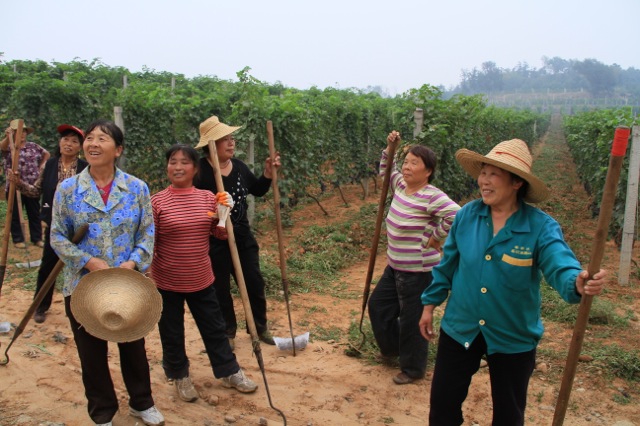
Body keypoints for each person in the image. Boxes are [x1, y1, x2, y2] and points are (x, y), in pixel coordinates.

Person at [418, 138, 607, 425]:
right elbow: (448, 265)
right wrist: (430, 304)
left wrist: (576, 282)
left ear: (517, 183)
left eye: (494, 174)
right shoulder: (467, 216)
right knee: (443, 405)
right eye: (483, 172)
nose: (485, 181)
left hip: (513, 335)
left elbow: (560, 262)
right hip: (461, 327)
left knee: (509, 412)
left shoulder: (539, 227)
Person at [50, 120, 164, 426]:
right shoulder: (68, 189)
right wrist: (88, 261)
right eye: (90, 138)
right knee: (92, 354)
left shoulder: (136, 188)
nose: (93, 144)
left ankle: (142, 403)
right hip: (84, 286)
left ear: (118, 150)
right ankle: (102, 413)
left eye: (103, 138)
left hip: (127, 285)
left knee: (133, 347)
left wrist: (133, 264)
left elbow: (147, 233)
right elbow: (57, 236)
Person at [150, 144, 258, 402]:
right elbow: (149, 241)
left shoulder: (208, 197)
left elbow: (219, 234)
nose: (177, 167)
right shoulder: (156, 201)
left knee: (215, 328)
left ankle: (229, 371)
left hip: (201, 277)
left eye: (184, 162)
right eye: (172, 161)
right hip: (167, 279)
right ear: (167, 167)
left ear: (195, 168)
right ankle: (180, 376)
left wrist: (223, 215)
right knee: (172, 331)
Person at [368, 130, 460, 385]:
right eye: (406, 162)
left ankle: (413, 368)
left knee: (412, 319)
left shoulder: (431, 195)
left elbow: (456, 215)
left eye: (414, 163)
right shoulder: (400, 186)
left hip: (418, 272)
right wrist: (390, 146)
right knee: (378, 307)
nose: (407, 167)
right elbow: (387, 169)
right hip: (395, 266)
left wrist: (435, 237)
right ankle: (392, 349)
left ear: (428, 170)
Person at [194, 115, 281, 348]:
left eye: (232, 138)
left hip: (242, 237)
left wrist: (267, 175)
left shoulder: (239, 167)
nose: (232, 143)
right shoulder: (200, 173)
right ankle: (227, 332)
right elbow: (194, 208)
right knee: (220, 287)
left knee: (254, 282)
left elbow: (258, 190)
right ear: (211, 144)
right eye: (225, 139)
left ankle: (260, 327)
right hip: (214, 241)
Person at [9, 124, 88, 323]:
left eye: (74, 141)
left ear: (80, 147)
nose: (68, 144)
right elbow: (35, 191)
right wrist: (18, 183)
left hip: (80, 228)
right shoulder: (50, 165)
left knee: (80, 268)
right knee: (48, 267)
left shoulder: (85, 169)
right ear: (59, 143)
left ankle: (83, 309)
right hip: (55, 226)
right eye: (65, 139)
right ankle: (41, 306)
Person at [1, 122, 50, 247]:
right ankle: (18, 239)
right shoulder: (10, 147)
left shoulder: (33, 146)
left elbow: (46, 154)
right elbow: (1, 147)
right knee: (15, 213)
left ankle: (37, 238)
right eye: (17, 131)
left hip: (31, 186)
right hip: (13, 185)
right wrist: (8, 137)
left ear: (26, 133)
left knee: (34, 213)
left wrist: (41, 166)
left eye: (23, 131)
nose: (21, 134)